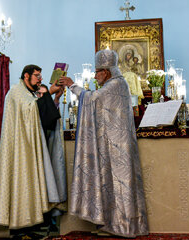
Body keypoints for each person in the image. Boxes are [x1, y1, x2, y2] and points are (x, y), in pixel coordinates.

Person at [58, 49, 149, 237]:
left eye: (97, 71)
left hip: (117, 147)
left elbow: (92, 99)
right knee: (113, 184)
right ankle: (113, 224)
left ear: (106, 71)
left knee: (119, 184)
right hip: (112, 144)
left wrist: (72, 85)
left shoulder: (115, 85)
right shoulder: (118, 84)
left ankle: (122, 227)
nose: (95, 75)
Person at [0, 64, 66, 231]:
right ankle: (21, 227)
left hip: (31, 149)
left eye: (40, 76)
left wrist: (54, 99)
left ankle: (35, 227)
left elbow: (45, 119)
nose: (40, 79)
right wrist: (48, 93)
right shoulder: (17, 92)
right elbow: (32, 109)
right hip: (20, 151)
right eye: (37, 76)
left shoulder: (29, 94)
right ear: (26, 76)